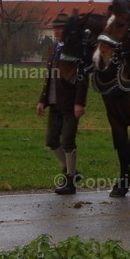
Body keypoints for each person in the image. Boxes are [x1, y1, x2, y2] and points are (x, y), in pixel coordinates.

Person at [37, 13, 89, 194]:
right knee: (51, 141)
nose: (57, 32)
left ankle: (70, 181)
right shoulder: (52, 48)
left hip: (69, 103)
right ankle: (73, 172)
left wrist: (79, 103)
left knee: (68, 141)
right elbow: (49, 77)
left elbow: (82, 78)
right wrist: (42, 101)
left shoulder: (75, 49)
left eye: (61, 28)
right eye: (55, 28)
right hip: (53, 103)